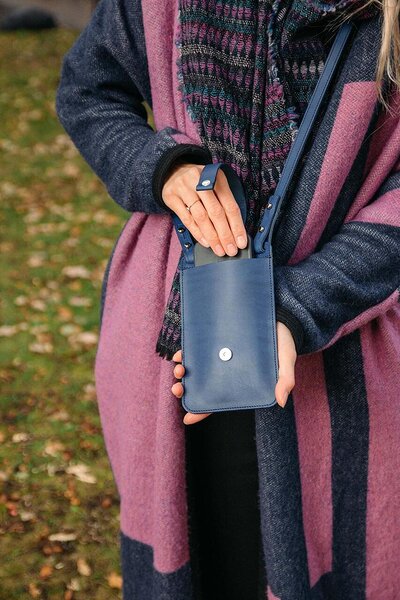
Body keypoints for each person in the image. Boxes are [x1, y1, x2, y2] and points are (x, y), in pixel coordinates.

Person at [56, 0, 400, 598]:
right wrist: (162, 168)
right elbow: (89, 89)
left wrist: (297, 308)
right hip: (169, 346)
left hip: (347, 367)